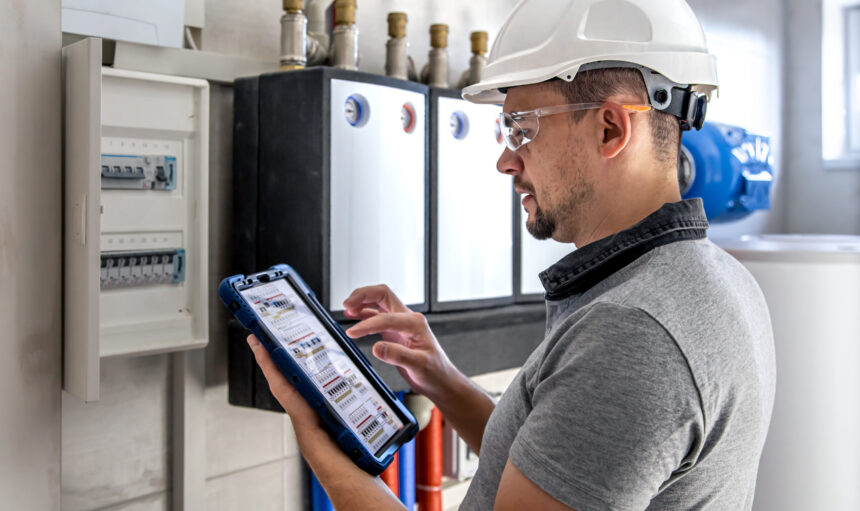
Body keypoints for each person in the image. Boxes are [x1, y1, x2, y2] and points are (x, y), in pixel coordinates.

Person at [246, 0, 776, 509]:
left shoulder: (632, 332)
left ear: (610, 129)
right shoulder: (714, 278)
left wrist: (319, 441)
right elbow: (561, 470)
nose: (505, 160)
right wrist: (443, 379)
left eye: (523, 128)